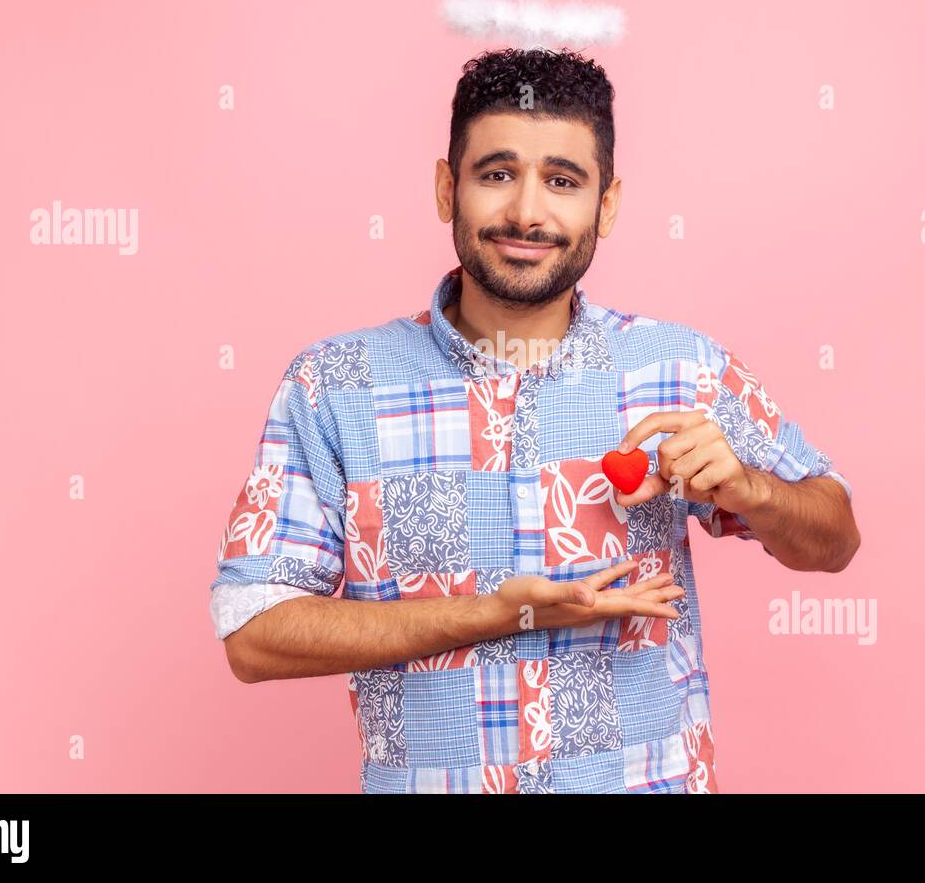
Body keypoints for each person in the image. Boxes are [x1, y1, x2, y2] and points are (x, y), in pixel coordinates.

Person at [209, 47, 861, 793]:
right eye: (497, 175)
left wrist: (754, 490)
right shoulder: (336, 385)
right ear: (446, 188)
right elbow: (253, 633)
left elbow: (836, 539)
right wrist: (494, 614)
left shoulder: (682, 369)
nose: (526, 211)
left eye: (562, 180)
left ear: (606, 204)